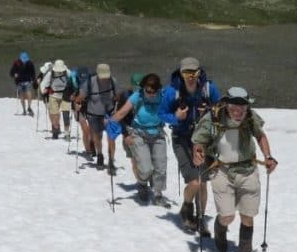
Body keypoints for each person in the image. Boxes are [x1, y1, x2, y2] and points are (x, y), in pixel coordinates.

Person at [192, 86, 277, 252]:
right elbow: (199, 141)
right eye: (234, 108)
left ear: (247, 107)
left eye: (242, 108)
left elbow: (260, 135)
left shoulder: (250, 117)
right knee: (228, 216)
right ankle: (220, 228)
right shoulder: (212, 118)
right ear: (226, 104)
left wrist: (268, 156)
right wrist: (197, 154)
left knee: (248, 215)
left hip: (248, 169)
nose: (238, 112)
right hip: (221, 170)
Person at [162, 57, 220, 234]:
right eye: (186, 73)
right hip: (182, 138)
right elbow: (161, 114)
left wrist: (210, 111)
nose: (190, 77)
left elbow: (220, 111)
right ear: (181, 73)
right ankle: (187, 208)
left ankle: (201, 218)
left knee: (203, 182)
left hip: (203, 140)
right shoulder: (172, 92)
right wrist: (176, 118)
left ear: (199, 72)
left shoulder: (209, 89)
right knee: (194, 181)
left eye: (193, 73)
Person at [111, 73, 175, 206]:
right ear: (143, 88)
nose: (151, 94)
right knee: (145, 168)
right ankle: (142, 184)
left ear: (158, 89)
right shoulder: (137, 96)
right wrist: (109, 123)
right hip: (139, 133)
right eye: (148, 90)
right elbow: (122, 113)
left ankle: (158, 193)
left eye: (154, 91)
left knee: (161, 166)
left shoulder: (163, 96)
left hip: (158, 133)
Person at [74, 63, 120, 170]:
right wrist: (77, 103)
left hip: (109, 113)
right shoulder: (89, 82)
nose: (104, 79)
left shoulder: (113, 81)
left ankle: (111, 159)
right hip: (93, 115)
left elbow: (118, 96)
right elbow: (80, 97)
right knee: (98, 137)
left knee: (111, 138)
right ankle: (100, 155)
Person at [39, 59, 72, 139]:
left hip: (65, 95)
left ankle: (67, 133)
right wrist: (43, 90)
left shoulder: (67, 72)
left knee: (66, 115)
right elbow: (43, 84)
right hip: (53, 95)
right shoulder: (50, 74)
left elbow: (73, 80)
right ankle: (55, 130)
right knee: (55, 115)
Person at [10, 51, 36, 116]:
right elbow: (11, 72)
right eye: (23, 60)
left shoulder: (30, 63)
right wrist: (14, 74)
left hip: (27, 81)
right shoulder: (16, 63)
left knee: (28, 93)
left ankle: (29, 107)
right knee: (21, 96)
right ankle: (24, 110)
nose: (24, 61)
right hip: (19, 82)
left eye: (25, 59)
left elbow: (33, 73)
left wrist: (33, 80)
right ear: (20, 58)